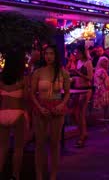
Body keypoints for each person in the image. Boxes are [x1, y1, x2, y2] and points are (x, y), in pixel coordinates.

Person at [31, 45, 70, 180]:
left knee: (55, 143)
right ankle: (39, 175)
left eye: (51, 53)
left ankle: (53, 175)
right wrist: (39, 107)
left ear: (56, 55)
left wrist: (62, 105)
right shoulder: (38, 72)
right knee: (40, 143)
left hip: (57, 107)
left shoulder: (63, 72)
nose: (48, 56)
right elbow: (32, 93)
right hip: (40, 107)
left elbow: (67, 93)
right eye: (46, 53)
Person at [0, 50, 28, 180]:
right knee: (18, 148)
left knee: (2, 147)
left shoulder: (1, 79)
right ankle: (15, 176)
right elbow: (26, 99)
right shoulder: (23, 79)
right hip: (18, 113)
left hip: (2, 114)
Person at [70, 45, 93, 148]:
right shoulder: (78, 62)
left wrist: (79, 74)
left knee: (81, 113)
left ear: (82, 53)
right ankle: (82, 133)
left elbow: (90, 77)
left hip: (86, 89)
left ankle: (82, 135)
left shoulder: (88, 63)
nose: (76, 55)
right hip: (77, 89)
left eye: (78, 53)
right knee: (75, 112)